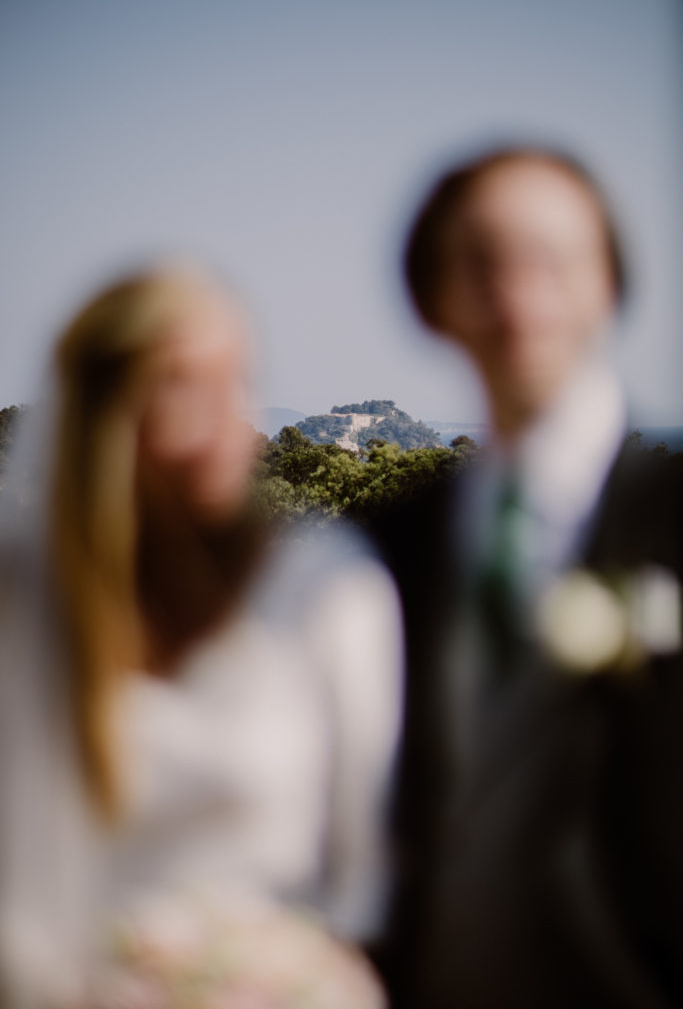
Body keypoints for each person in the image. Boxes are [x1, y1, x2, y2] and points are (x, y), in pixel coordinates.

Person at [0, 265, 401, 1008]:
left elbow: (367, 867)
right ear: (108, 414)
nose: (229, 412)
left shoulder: (328, 590)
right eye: (184, 383)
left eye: (238, 377)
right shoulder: (26, 599)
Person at [372, 145, 683, 1007]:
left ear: (608, 283)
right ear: (430, 298)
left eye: (551, 259)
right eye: (479, 262)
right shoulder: (383, 544)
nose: (516, 293)